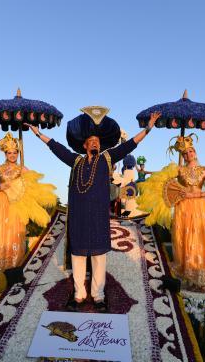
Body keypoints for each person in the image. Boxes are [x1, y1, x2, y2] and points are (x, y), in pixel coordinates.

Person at [26, 107, 161, 311]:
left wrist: (149, 128)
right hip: (79, 217)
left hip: (98, 217)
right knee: (78, 256)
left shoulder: (107, 159)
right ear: (85, 145)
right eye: (91, 141)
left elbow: (131, 145)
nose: (95, 143)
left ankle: (98, 295)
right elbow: (57, 148)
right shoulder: (76, 161)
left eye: (97, 141)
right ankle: (79, 294)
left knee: (99, 257)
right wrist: (38, 133)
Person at [138, 134, 205, 292]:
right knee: (184, 239)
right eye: (185, 153)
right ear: (182, 155)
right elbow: (162, 177)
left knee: (198, 239)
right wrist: (145, 173)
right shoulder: (180, 170)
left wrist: (194, 195)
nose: (188, 155)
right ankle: (189, 277)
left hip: (199, 208)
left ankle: (201, 280)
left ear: (195, 152)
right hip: (183, 208)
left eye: (190, 152)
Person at [0, 132, 56, 272]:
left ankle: (13, 266)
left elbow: (32, 185)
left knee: (14, 232)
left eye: (15, 153)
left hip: (16, 204)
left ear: (18, 154)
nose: (12, 155)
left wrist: (23, 183)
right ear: (5, 154)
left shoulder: (22, 168)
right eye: (9, 153)